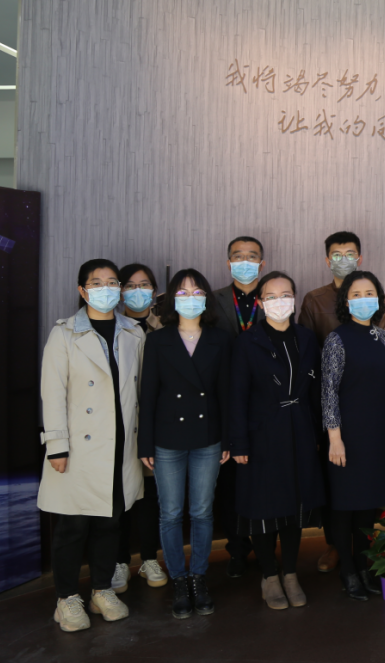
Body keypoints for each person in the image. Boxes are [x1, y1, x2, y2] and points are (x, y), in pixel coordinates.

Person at [38, 259, 145, 632]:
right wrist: (57, 446)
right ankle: (66, 598)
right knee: (72, 526)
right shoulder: (64, 334)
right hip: (79, 448)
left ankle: (101, 589)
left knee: (110, 522)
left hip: (121, 445)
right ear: (82, 290)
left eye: (112, 282)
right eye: (96, 282)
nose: (106, 288)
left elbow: (141, 392)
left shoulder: (133, 332)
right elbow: (52, 393)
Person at [139, 269, 234, 619]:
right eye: (182, 292)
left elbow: (226, 394)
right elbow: (148, 396)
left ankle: (199, 576)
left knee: (202, 511)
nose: (190, 298)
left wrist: (228, 438)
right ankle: (179, 579)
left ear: (206, 298)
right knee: (170, 512)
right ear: (171, 299)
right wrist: (145, 444)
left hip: (208, 437)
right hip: (167, 439)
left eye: (196, 292)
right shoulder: (157, 340)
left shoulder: (221, 339)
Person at [229, 271, 325, 610]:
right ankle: (269, 576)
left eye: (285, 295)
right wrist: (239, 443)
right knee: (263, 508)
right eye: (271, 296)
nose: (279, 302)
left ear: (294, 299)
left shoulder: (306, 338)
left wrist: (319, 434)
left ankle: (290, 573)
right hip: (262, 435)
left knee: (294, 507)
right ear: (260, 302)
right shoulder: (247, 341)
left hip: (299, 431)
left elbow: (315, 391)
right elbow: (237, 396)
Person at [297, 231, 385, 573]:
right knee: (336, 481)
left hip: (368, 406)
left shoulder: (378, 300)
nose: (343, 260)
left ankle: (361, 556)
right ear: (327, 260)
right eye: (337, 254)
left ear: (359, 257)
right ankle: (335, 547)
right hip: (329, 400)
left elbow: (382, 352)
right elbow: (306, 348)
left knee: (365, 484)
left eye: (350, 253)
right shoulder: (314, 299)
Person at [321, 270, 385, 601]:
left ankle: (364, 566)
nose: (363, 299)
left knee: (368, 505)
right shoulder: (336, 339)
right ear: (346, 301)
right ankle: (348, 571)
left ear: (379, 299)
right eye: (355, 294)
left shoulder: (383, 338)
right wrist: (334, 438)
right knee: (345, 505)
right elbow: (328, 392)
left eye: (369, 293)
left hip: (377, 432)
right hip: (346, 435)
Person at [211, 236, 265, 578]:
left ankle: (265, 546)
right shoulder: (212, 300)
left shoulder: (275, 297)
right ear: (229, 262)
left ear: (262, 262)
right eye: (238, 256)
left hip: (265, 403)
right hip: (225, 402)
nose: (245, 262)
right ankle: (236, 548)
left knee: (262, 478)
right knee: (229, 482)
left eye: (252, 256)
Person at [111, 263, 166, 594]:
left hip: (157, 425)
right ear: (120, 292)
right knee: (120, 495)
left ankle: (148, 558)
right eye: (130, 286)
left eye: (144, 285)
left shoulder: (165, 327)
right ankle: (119, 561)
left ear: (155, 291)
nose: (137, 292)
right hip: (121, 425)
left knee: (150, 497)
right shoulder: (112, 327)